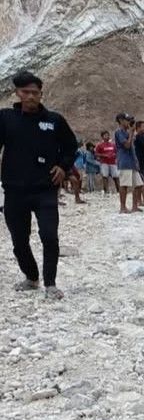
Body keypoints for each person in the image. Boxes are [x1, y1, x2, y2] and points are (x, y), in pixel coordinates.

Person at [0, 71, 77, 300]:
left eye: (35, 93)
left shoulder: (54, 120)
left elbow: (71, 146)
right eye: (26, 92)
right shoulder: (5, 118)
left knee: (49, 235)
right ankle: (32, 277)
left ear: (41, 94)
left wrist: (63, 167)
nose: (31, 97)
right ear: (18, 93)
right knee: (19, 240)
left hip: (45, 189)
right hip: (14, 190)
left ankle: (51, 283)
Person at [114, 113, 143, 213]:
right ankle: (122, 207)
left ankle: (134, 206)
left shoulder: (126, 132)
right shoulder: (119, 132)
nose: (129, 122)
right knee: (124, 185)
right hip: (124, 161)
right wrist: (131, 133)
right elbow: (126, 145)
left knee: (138, 184)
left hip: (131, 162)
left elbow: (132, 147)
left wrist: (136, 161)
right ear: (121, 120)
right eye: (127, 120)